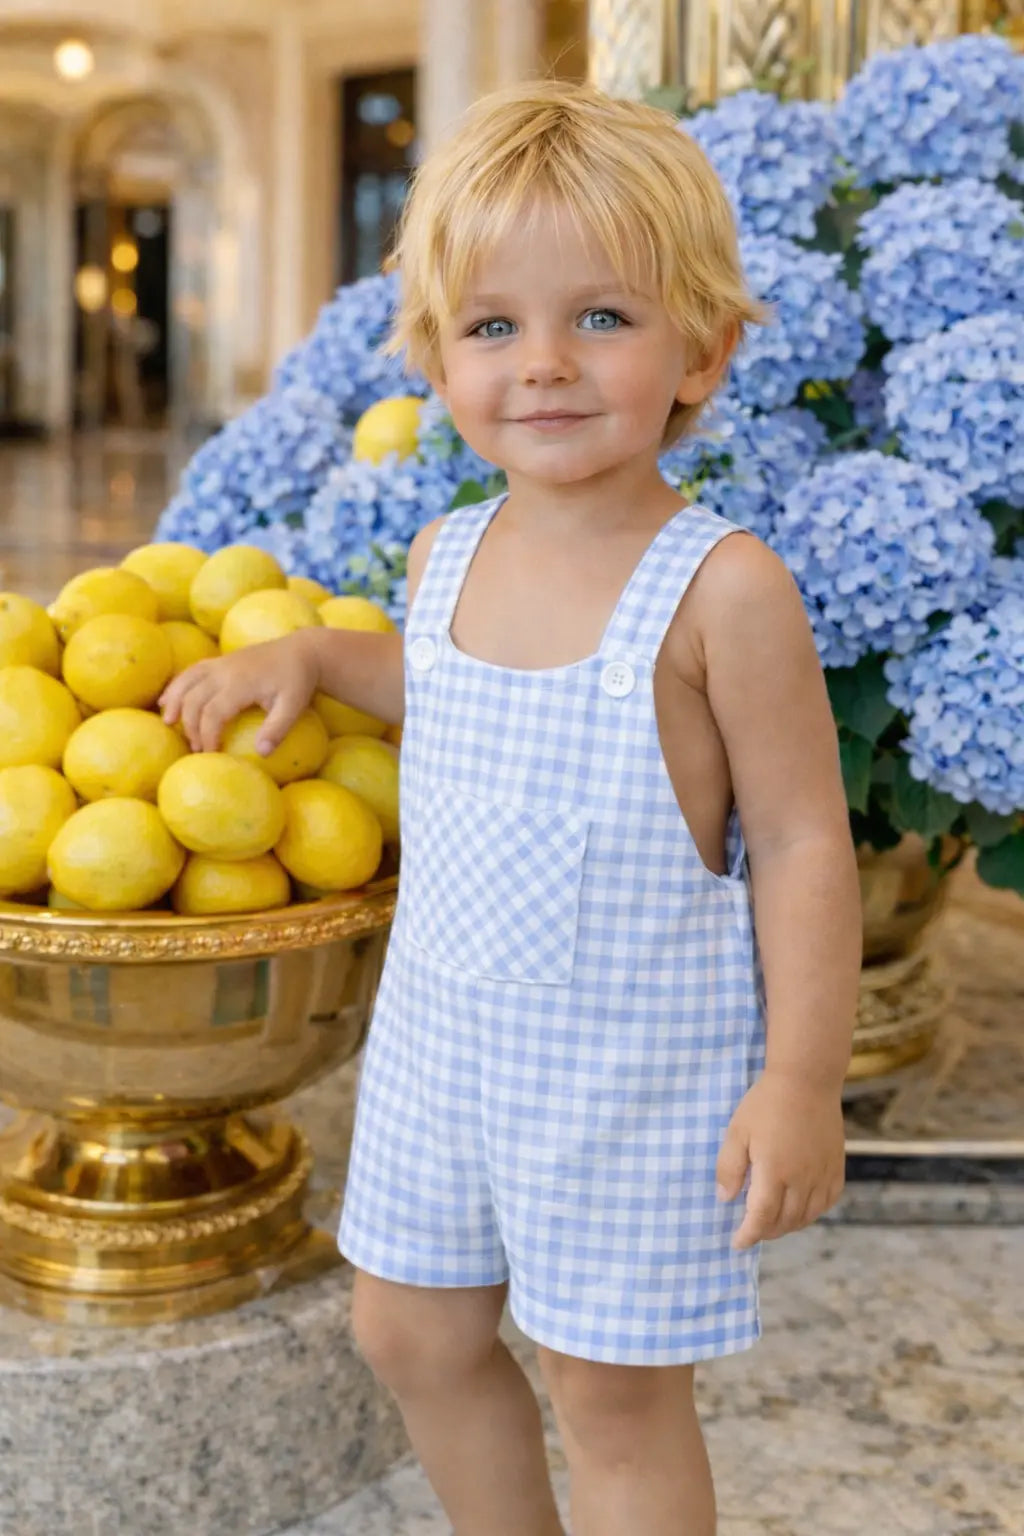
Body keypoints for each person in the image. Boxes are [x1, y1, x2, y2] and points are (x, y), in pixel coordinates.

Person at [162, 80, 860, 1536]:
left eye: (601, 317)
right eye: (492, 326)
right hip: (442, 1051)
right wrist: (315, 658)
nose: (543, 363)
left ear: (703, 349)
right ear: (434, 357)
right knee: (408, 1333)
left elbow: (803, 842)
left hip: (629, 1076)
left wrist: (800, 1079)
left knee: (612, 1398)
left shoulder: (722, 590)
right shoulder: (446, 553)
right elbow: (448, 687)